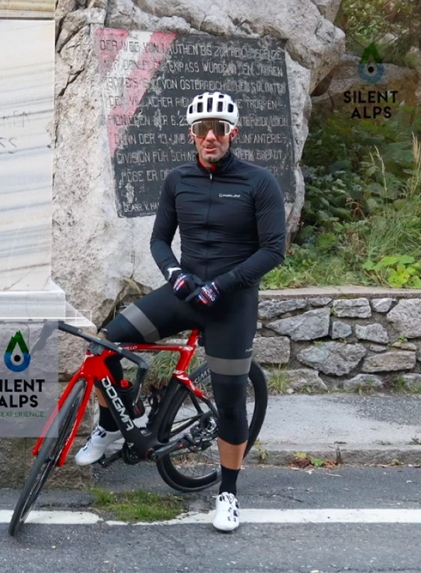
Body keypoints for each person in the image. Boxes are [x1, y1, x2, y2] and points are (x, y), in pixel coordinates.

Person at [73, 91, 286, 532]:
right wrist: (175, 274)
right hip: (184, 293)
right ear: (192, 134)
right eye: (202, 129)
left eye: (219, 129)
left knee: (230, 402)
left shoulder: (258, 182)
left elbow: (273, 250)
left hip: (231, 303)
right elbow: (158, 240)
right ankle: (114, 424)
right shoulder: (178, 180)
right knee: (106, 344)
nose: (211, 137)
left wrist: (222, 285)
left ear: (233, 133)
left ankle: (228, 494)